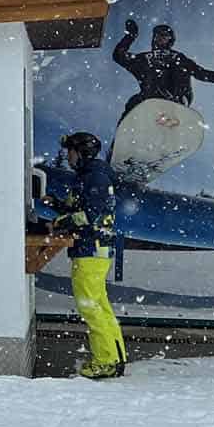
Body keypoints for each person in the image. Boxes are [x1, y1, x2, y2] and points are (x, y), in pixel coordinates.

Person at [46, 130, 128, 380]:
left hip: (91, 250)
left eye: (70, 151)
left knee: (90, 307)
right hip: (93, 250)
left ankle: (105, 362)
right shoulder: (89, 176)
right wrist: (58, 205)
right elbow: (80, 206)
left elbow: (91, 216)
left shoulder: (95, 177)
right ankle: (115, 357)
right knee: (100, 307)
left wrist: (61, 221)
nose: (68, 156)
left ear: (81, 152)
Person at [112, 17, 214, 117]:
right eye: (158, 35)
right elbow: (119, 56)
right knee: (133, 101)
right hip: (150, 101)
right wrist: (130, 36)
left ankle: (174, 108)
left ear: (170, 40)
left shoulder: (178, 58)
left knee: (176, 67)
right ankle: (128, 132)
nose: (160, 38)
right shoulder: (144, 59)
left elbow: (203, 74)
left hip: (177, 98)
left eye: (164, 36)